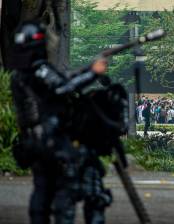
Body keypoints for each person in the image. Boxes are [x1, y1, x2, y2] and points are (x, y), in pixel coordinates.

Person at [10, 21, 112, 224]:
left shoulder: (17, 76)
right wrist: (94, 73)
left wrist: (82, 71)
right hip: (55, 143)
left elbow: (59, 80)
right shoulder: (39, 71)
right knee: (65, 197)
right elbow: (62, 88)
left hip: (33, 144)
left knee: (41, 193)